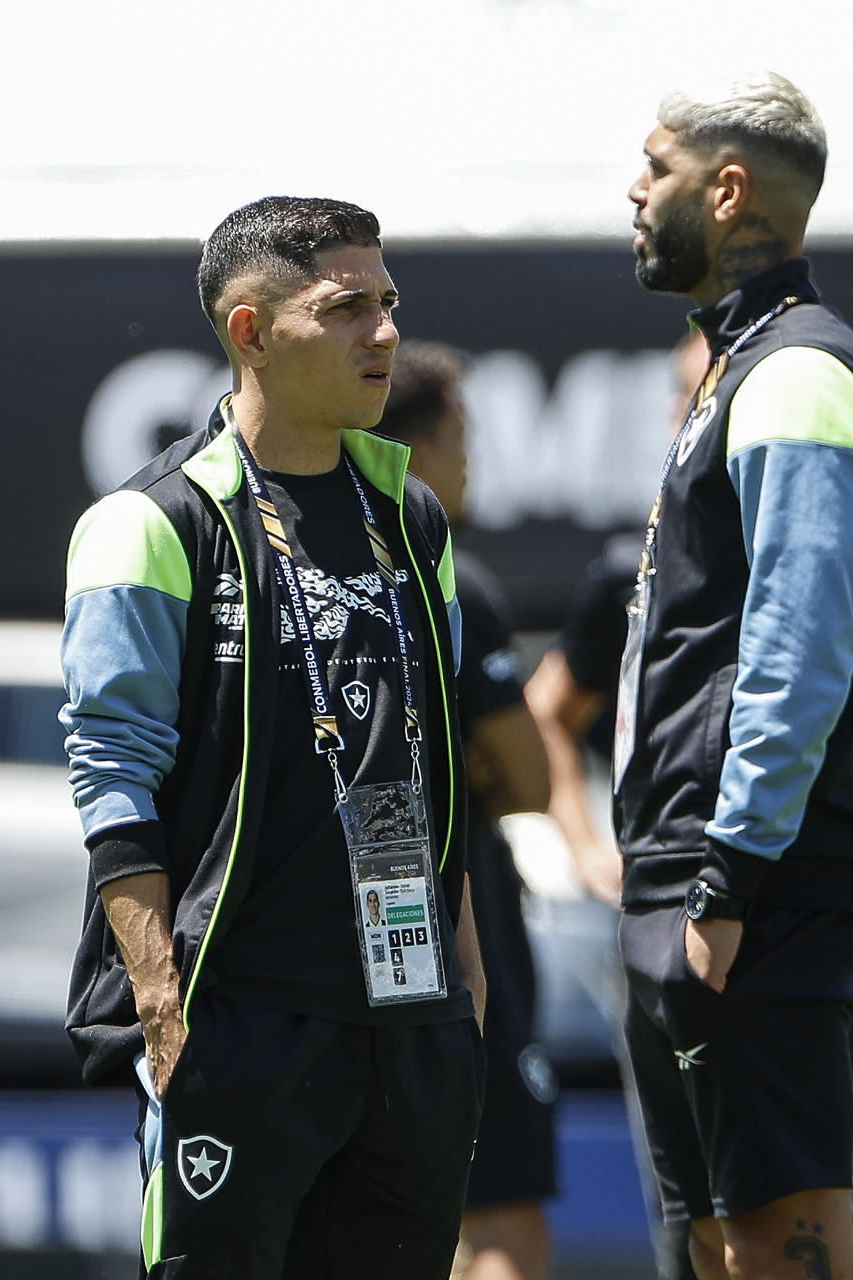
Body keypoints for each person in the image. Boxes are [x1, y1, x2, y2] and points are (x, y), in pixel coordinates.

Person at [60, 197, 484, 1278]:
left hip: (410, 1017)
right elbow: (113, 774)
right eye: (346, 309)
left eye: (387, 303)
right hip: (238, 1016)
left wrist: (465, 986)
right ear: (249, 331)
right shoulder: (149, 522)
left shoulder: (412, 515)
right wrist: (159, 995)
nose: (383, 333)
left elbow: (435, 759)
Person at [617, 71, 853, 1280]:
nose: (633, 192)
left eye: (656, 166)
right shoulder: (736, 370)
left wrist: (729, 872)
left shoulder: (796, 374)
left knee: (785, 1239)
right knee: (714, 1243)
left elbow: (799, 644)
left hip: (750, 878)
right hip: (696, 869)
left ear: (728, 190)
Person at [379, 339, 561, 1280]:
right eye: (459, 439)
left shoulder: (293, 569)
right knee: (502, 1220)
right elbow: (529, 780)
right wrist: (476, 774)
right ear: (409, 452)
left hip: (334, 932)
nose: (471, 462)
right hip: (458, 919)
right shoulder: (451, 575)